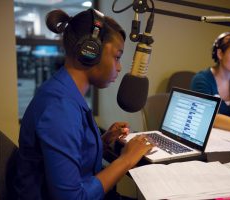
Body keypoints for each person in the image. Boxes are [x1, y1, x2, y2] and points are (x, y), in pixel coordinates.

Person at [14, 8, 154, 200]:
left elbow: (68, 155)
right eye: (117, 56)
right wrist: (126, 159)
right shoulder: (60, 108)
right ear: (90, 51)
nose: (119, 67)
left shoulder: (64, 91)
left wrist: (101, 142)